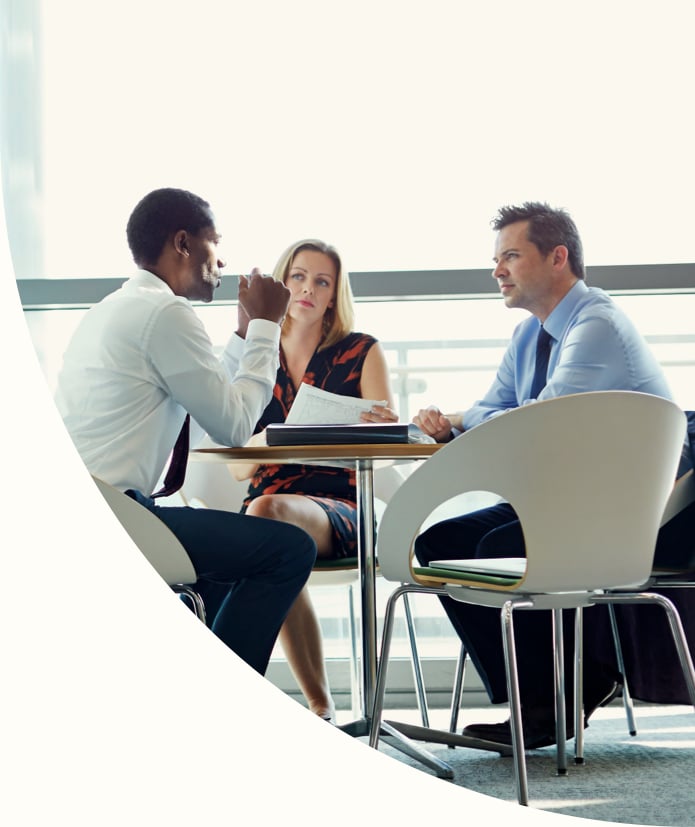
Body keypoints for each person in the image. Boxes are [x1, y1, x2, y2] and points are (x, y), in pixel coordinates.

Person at [413, 201, 685, 748]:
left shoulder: (597, 325)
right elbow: (498, 412)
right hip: (562, 500)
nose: (497, 271)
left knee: (495, 546)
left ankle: (550, 704)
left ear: (558, 257)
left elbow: (533, 423)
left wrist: (474, 419)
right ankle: (564, 686)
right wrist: (464, 420)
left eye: (510, 256)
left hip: (625, 512)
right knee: (442, 542)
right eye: (496, 258)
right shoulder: (529, 336)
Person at [54, 187, 317, 676]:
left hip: (101, 508)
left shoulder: (121, 307)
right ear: (183, 243)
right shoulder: (167, 314)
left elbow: (203, 408)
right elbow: (235, 425)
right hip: (119, 516)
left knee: (225, 567)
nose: (222, 260)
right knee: (288, 550)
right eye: (214, 242)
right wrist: (266, 325)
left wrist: (244, 335)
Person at [226, 238, 397, 722]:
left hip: (341, 504)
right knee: (268, 523)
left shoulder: (361, 351)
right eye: (298, 277)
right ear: (282, 283)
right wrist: (268, 443)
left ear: (334, 293)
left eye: (321, 281)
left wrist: (374, 431)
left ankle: (319, 708)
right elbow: (239, 465)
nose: (307, 289)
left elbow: (385, 455)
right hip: (270, 501)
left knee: (265, 522)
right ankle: (319, 706)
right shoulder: (254, 354)